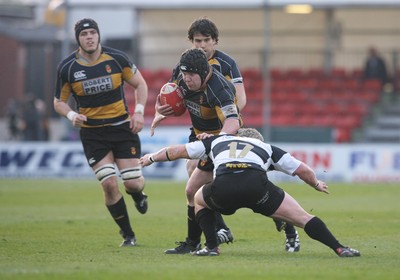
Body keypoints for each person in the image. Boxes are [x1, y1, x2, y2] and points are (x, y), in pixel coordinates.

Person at [151, 17, 300, 254]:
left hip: (228, 131)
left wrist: (222, 126)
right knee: (196, 176)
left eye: (206, 40)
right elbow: (172, 97)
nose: (201, 45)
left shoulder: (226, 64)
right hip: (200, 133)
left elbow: (239, 99)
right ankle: (218, 229)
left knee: (250, 182)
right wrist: (161, 112)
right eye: (197, 40)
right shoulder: (185, 67)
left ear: (215, 41)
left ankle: (285, 224)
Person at [139, 128, 361, 258]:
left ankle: (211, 246)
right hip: (258, 189)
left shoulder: (218, 140)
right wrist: (316, 185)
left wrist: (150, 158)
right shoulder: (267, 147)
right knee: (304, 217)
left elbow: (177, 151)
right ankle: (340, 248)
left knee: (198, 198)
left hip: (223, 188)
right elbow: (303, 170)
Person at [53, 18, 148, 247]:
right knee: (108, 183)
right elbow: (58, 102)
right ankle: (128, 234)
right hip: (93, 133)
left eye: (93, 33)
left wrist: (139, 112)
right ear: (78, 39)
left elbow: (140, 84)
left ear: (98, 35)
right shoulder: (68, 68)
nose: (89, 37)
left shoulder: (116, 58)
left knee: (133, 183)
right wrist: (71, 115)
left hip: (122, 128)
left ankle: (138, 195)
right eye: (84, 34)